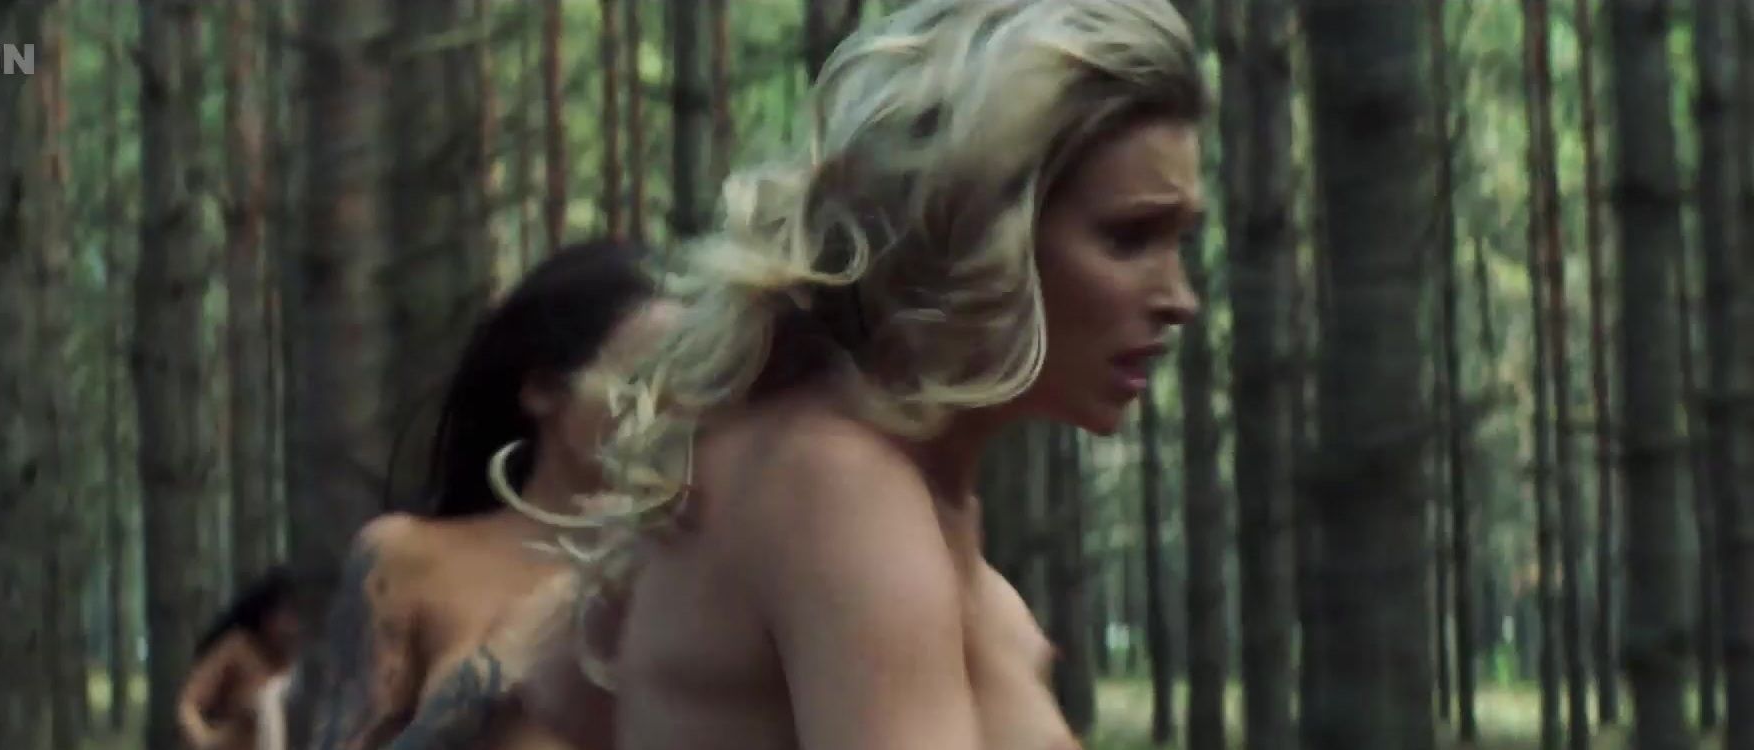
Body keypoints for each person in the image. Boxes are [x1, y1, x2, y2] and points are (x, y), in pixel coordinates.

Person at [521, 1, 1205, 748]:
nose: (1180, 299)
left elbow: (545, 691)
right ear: (974, 228)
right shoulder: (839, 487)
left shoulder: (857, 487)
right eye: (1130, 237)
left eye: (1179, 240)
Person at [302, 240, 674, 750]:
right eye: (642, 380)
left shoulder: (691, 568)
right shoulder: (407, 559)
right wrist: (505, 659)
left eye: (693, 384)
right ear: (543, 389)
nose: (672, 407)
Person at [181, 568, 302, 750]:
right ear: (266, 615)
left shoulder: (305, 663)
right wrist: (207, 740)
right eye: (287, 615)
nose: (293, 627)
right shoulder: (239, 649)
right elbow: (189, 706)